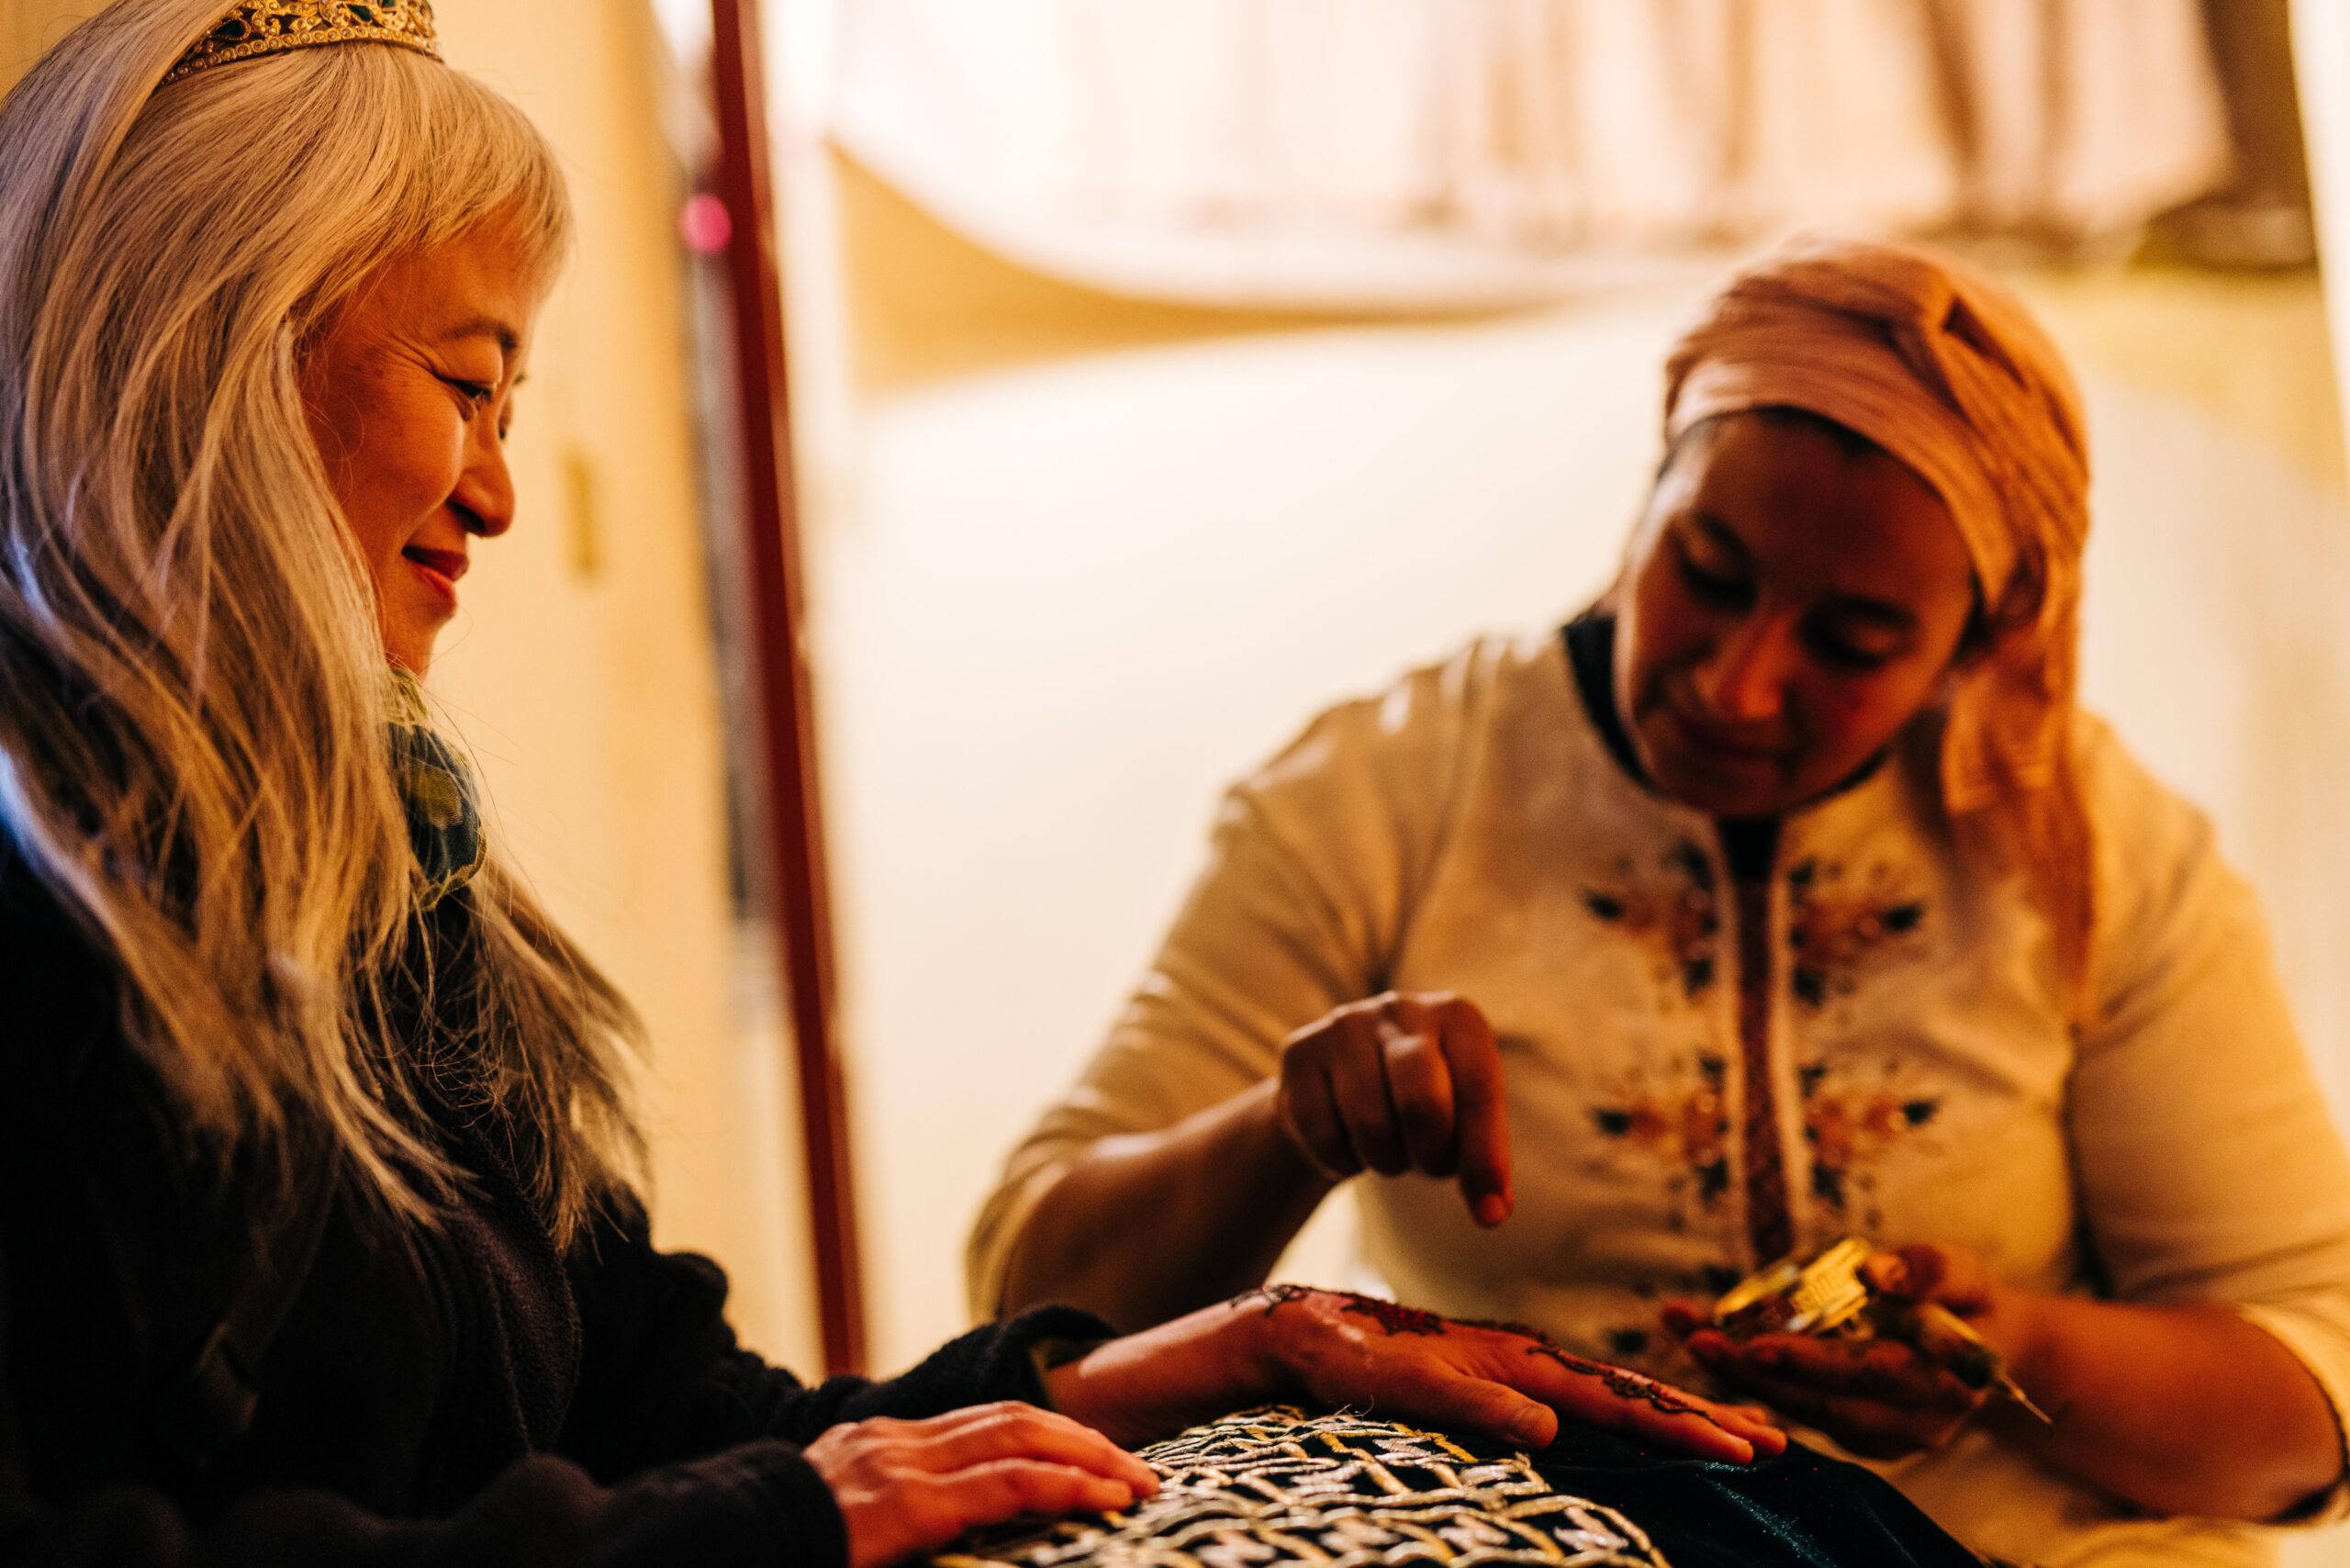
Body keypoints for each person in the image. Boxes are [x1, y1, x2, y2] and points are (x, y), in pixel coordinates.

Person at [0, 5, 1794, 1566]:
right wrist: (769, 1526)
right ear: (212, 353)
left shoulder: (384, 880)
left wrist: (1191, 1359)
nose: (498, 493)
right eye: (466, 386)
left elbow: (676, 1418)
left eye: (514, 406)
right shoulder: (49, 908)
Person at [972, 234, 2350, 1565]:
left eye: (1852, 641)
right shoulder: (1389, 794)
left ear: (1972, 645)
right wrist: (1286, 1130)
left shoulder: (2096, 850)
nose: (1738, 684)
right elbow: (1031, 1313)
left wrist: (2021, 1355)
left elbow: (2313, 1411)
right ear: (1651, 494)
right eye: (1707, 572)